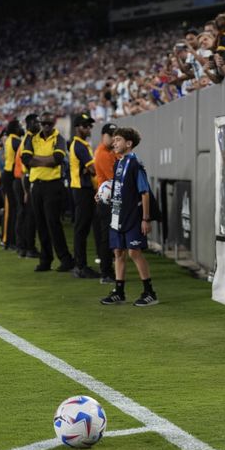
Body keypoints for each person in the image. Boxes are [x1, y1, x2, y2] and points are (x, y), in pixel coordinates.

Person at [100, 127, 158, 307]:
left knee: (134, 252)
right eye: (114, 139)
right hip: (117, 215)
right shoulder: (118, 162)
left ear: (128, 143)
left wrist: (145, 218)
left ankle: (149, 292)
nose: (114, 143)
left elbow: (145, 192)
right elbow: (118, 187)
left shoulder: (135, 163)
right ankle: (119, 291)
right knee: (118, 252)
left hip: (133, 216)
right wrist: (103, 194)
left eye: (117, 139)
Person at [21, 112, 75, 272]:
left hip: (53, 185)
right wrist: (47, 161)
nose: (46, 126)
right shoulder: (32, 138)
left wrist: (36, 160)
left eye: (49, 124)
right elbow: (25, 159)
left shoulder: (59, 139)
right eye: (43, 123)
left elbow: (58, 159)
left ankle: (65, 259)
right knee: (41, 224)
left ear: (54, 123)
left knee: (53, 223)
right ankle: (46, 259)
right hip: (36, 185)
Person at [69, 113, 100, 279]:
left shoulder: (81, 144)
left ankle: (80, 265)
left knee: (82, 228)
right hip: (82, 189)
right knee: (81, 228)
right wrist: (90, 169)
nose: (88, 128)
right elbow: (93, 168)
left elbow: (89, 168)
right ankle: (80, 266)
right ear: (77, 127)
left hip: (82, 188)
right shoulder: (80, 145)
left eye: (89, 125)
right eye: (85, 126)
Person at [93, 122, 119, 284]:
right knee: (106, 237)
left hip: (111, 199)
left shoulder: (111, 151)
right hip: (106, 200)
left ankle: (110, 270)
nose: (114, 138)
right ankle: (106, 272)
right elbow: (114, 178)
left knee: (110, 236)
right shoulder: (102, 153)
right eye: (111, 135)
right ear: (104, 136)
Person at [14, 114, 40, 259]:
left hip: (22, 180)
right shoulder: (28, 140)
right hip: (24, 180)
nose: (39, 124)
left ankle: (23, 246)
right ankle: (28, 247)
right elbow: (25, 169)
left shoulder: (27, 139)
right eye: (37, 122)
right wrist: (26, 191)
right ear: (30, 123)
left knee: (24, 215)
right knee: (28, 216)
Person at [0, 119, 23, 250]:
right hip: (10, 175)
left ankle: (10, 240)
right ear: (15, 129)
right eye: (19, 126)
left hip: (8, 174)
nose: (21, 128)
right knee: (10, 209)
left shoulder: (10, 140)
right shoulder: (16, 141)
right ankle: (7, 240)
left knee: (12, 209)